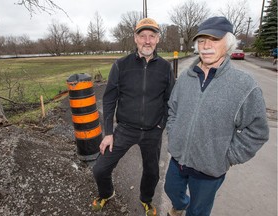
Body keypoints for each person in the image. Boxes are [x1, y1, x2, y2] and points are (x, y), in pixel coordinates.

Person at [164, 16, 269, 216]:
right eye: (202, 41)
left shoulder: (244, 84)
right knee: (171, 189)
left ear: (228, 43)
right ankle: (179, 205)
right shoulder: (186, 77)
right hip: (178, 158)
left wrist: (227, 156)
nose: (206, 46)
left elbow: (257, 131)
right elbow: (173, 110)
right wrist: (174, 134)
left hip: (210, 169)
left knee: (198, 211)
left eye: (214, 40)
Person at [92, 17, 175, 216]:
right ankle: (107, 193)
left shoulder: (165, 67)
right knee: (100, 169)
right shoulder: (121, 65)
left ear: (157, 39)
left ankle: (146, 199)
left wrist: (160, 126)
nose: (147, 41)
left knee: (152, 172)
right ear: (135, 39)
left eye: (152, 36)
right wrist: (109, 133)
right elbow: (109, 100)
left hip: (152, 132)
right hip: (125, 130)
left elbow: (170, 100)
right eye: (143, 36)